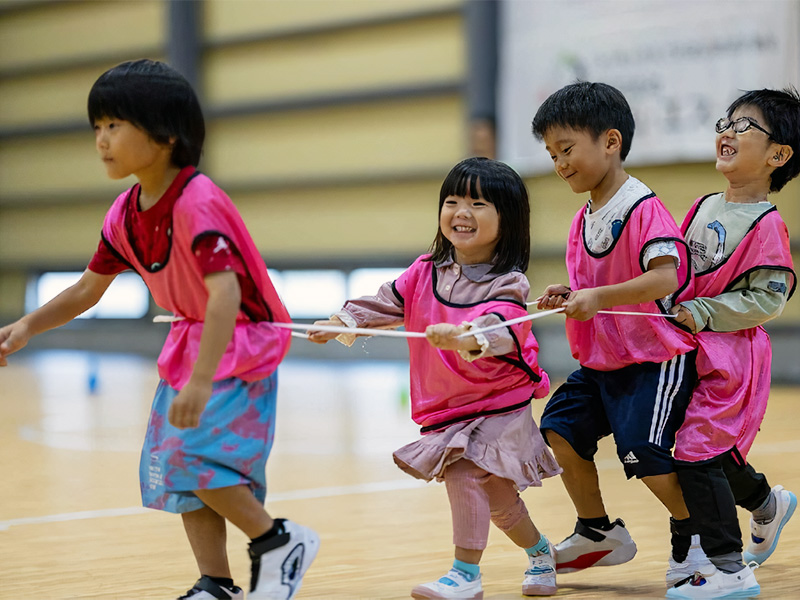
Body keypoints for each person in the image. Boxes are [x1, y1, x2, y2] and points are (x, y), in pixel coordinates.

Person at [0, 59, 318, 600]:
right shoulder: (124, 213)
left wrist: (199, 381)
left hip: (239, 345)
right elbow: (86, 290)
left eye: (115, 125)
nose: (101, 139)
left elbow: (226, 295)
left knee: (193, 461)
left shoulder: (198, 202)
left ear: (166, 135)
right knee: (176, 472)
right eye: (97, 126)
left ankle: (277, 540)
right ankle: (216, 583)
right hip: (191, 344)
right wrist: (26, 326)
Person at [309, 157, 561, 599]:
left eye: (479, 203)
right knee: (499, 499)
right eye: (453, 200)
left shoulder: (510, 282)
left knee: (463, 472)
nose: (462, 212)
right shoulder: (424, 271)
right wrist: (342, 321)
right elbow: (385, 303)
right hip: (450, 406)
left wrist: (465, 335)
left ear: (508, 220)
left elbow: (500, 326)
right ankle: (541, 553)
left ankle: (465, 575)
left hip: (498, 405)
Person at [531, 81, 706, 586]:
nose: (559, 164)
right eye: (551, 154)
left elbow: (666, 277)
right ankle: (596, 532)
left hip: (654, 360)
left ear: (611, 142)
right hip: (602, 364)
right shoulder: (581, 218)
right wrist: (570, 293)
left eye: (567, 149)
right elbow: (595, 287)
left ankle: (697, 536)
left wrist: (599, 298)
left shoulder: (642, 207)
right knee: (558, 432)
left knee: (642, 452)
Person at [665, 87, 800, 600]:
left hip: (734, 357)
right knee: (708, 450)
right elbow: (674, 271)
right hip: (691, 347)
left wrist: (702, 310)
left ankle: (727, 570)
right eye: (725, 122)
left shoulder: (767, 224)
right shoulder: (701, 206)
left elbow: (767, 300)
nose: (727, 132)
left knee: (698, 452)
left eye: (744, 126)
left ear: (777, 155)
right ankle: (767, 502)